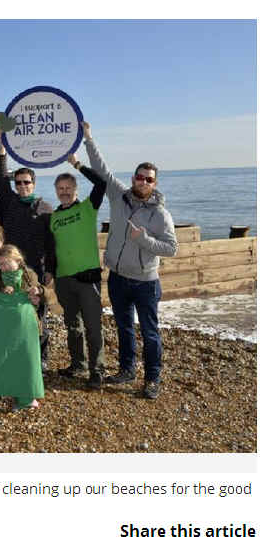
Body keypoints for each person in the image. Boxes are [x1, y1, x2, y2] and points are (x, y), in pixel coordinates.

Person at [83, 122, 178, 399]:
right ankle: (126, 370)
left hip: (146, 282)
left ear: (154, 184)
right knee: (123, 327)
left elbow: (172, 248)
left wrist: (144, 240)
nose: (143, 182)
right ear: (134, 178)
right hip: (118, 277)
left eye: (149, 179)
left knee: (149, 332)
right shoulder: (118, 196)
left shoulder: (161, 214)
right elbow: (101, 169)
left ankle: (152, 379)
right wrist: (89, 138)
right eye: (140, 177)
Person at [44, 152, 108, 388]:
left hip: (87, 277)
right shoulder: (53, 218)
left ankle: (97, 369)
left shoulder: (88, 208)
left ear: (76, 190)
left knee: (93, 326)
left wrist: (78, 164)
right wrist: (49, 271)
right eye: (60, 188)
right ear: (56, 190)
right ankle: (78, 364)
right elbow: (51, 249)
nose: (64, 191)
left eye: (68, 187)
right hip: (63, 279)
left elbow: (102, 183)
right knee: (73, 325)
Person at [0, 130, 54, 367]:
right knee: (12, 313)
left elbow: (51, 243)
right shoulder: (9, 201)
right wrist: (1, 147)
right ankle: (15, 356)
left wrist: (51, 270)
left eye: (26, 182)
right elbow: (0, 179)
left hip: (35, 270)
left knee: (38, 314)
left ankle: (41, 359)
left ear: (34, 183)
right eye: (17, 182)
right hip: (10, 268)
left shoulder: (45, 208)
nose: (21, 186)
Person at [0, 243, 44, 409]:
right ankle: (11, 390)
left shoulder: (29, 274)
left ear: (17, 259)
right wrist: (1, 291)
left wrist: (38, 292)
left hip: (28, 323)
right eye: (0, 263)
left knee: (28, 359)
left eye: (7, 262)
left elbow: (42, 291)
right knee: (10, 358)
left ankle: (29, 397)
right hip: (7, 324)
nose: (4, 267)